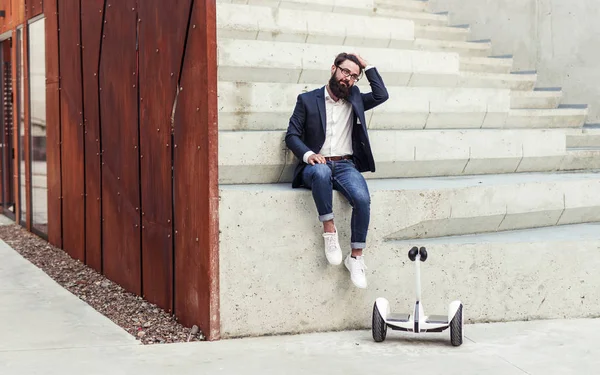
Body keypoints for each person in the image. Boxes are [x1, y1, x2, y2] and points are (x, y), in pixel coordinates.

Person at [285, 52, 389, 289]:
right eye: (345, 72)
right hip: (316, 164)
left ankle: (355, 257)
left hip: (344, 164)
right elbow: (291, 135)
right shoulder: (307, 100)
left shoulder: (355, 99)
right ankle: (329, 232)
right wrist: (309, 155)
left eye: (354, 76)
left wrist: (366, 65)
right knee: (321, 173)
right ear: (333, 69)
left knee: (362, 198)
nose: (348, 79)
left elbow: (382, 94)